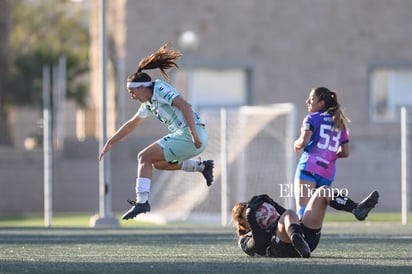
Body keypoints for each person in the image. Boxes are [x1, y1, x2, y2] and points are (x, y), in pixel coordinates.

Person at [98, 43, 214, 220]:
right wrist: (111, 141)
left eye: (132, 91)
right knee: (157, 163)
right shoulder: (148, 103)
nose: (132, 96)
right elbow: (131, 124)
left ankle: (142, 202)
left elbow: (186, 106)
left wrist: (193, 134)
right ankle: (201, 166)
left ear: (142, 87)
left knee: (143, 157)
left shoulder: (159, 89)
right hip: (188, 138)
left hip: (190, 135)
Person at [232, 187, 379, 258]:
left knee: (322, 191)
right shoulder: (244, 240)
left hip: (306, 242)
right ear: (240, 221)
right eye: (247, 215)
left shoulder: (278, 222)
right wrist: (252, 217)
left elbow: (288, 216)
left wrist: (272, 203)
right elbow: (259, 244)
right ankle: (297, 239)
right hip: (282, 250)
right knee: (290, 214)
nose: (258, 214)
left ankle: (356, 209)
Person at [293, 87, 351, 219]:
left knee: (302, 207)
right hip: (327, 173)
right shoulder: (339, 123)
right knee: (316, 210)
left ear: (321, 103)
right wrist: (328, 154)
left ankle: (301, 237)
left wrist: (295, 143)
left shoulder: (311, 118)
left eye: (312, 99)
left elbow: (303, 141)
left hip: (309, 167)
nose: (307, 101)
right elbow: (345, 152)